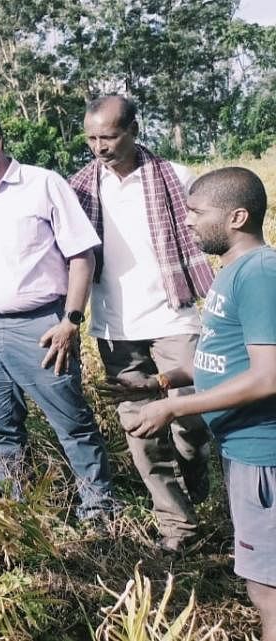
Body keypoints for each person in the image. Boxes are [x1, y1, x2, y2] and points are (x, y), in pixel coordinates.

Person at [123, 167, 276, 641]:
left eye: (195, 212)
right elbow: (225, 357)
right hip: (243, 451)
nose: (185, 221)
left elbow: (269, 375)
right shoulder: (232, 273)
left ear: (236, 216)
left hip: (263, 456)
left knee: (269, 590)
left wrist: (175, 409)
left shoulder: (259, 275)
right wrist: (164, 381)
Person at [0, 106, 117, 521]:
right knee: (0, 428)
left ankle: (100, 509)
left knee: (70, 421)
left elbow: (81, 256)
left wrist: (70, 321)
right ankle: (17, 512)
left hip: (40, 325)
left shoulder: (42, 185)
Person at [69, 96, 213, 551]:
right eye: (92, 138)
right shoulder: (81, 189)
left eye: (108, 137)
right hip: (116, 326)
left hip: (175, 314)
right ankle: (178, 527)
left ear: (133, 129)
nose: (99, 147)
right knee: (141, 430)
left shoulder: (176, 176)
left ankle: (196, 463)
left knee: (192, 412)